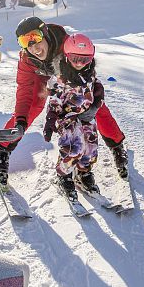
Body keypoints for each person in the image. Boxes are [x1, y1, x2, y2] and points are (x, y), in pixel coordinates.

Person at [0, 16, 128, 188]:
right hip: (41, 75)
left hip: (66, 73)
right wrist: (20, 122)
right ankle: (3, 150)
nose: (33, 47)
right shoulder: (27, 59)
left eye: (36, 37)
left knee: (94, 105)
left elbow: (88, 77)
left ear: (45, 33)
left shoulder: (66, 46)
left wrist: (94, 101)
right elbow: (24, 92)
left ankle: (117, 146)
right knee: (33, 106)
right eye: (25, 41)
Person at [43, 33, 103, 201]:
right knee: (74, 147)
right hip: (67, 117)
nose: (79, 63)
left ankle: (83, 173)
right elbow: (54, 100)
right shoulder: (60, 78)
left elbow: (96, 85)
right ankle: (63, 175)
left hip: (85, 115)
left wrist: (98, 98)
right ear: (67, 56)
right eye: (75, 58)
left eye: (84, 59)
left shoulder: (89, 71)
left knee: (90, 147)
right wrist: (50, 120)